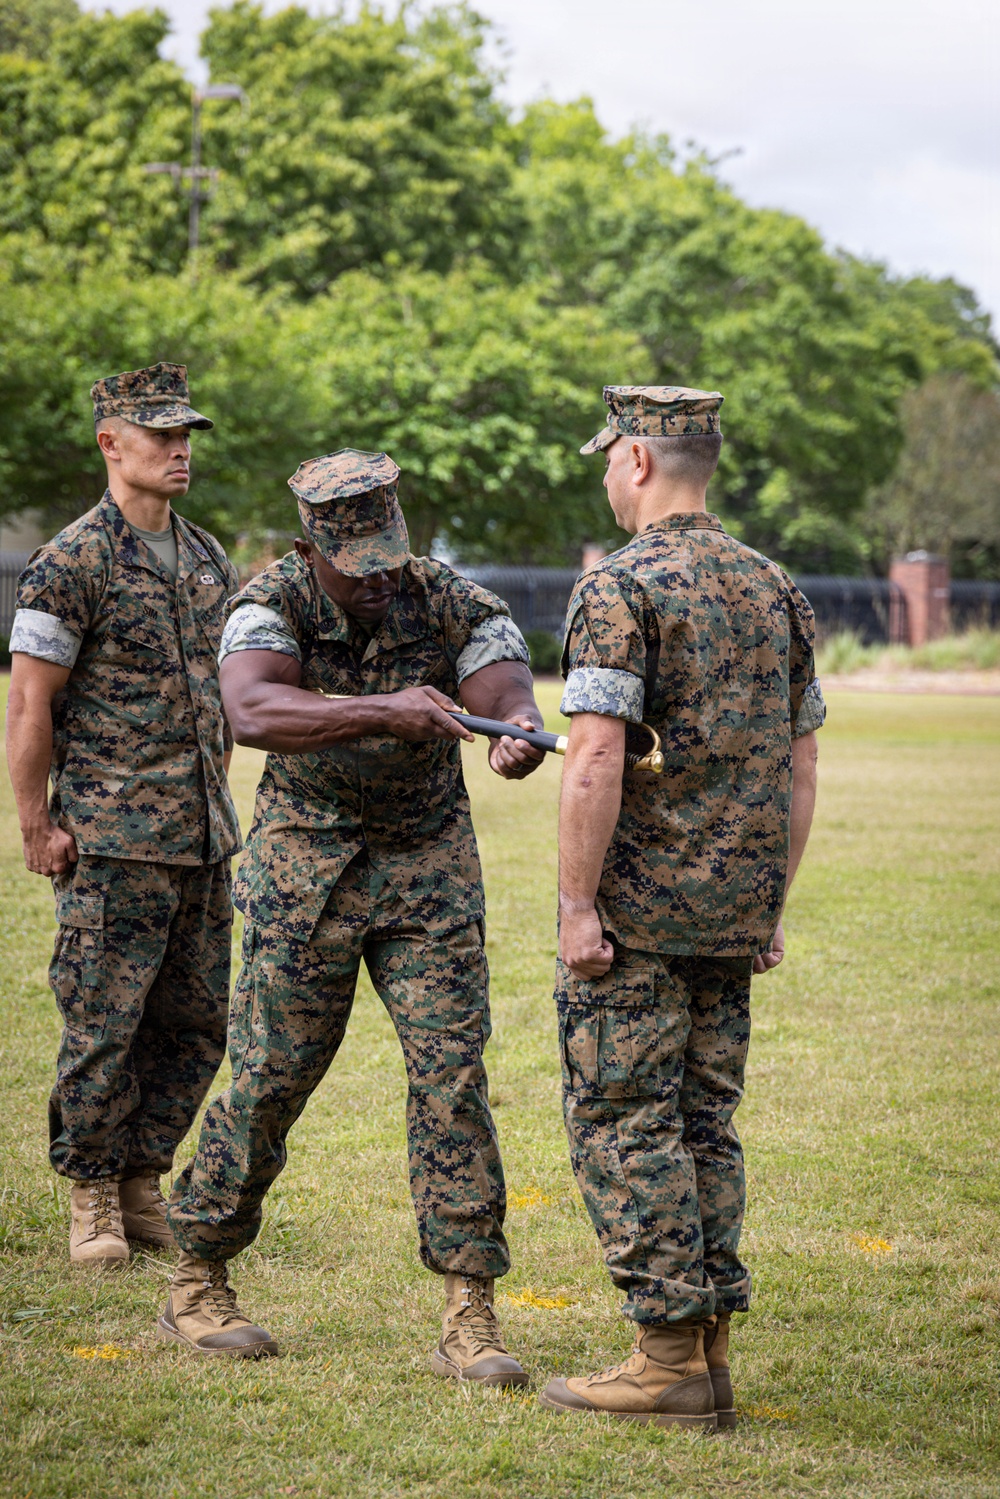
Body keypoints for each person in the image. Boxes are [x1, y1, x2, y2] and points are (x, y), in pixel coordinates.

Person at [160, 448, 544, 1378]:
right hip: (307, 869)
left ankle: (470, 1309)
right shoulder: (270, 600)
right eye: (356, 563)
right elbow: (251, 709)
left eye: (388, 556)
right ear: (311, 546)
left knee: (453, 1077)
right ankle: (198, 1273)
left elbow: (505, 687)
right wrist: (384, 711)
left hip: (427, 868)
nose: (377, 580)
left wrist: (516, 734)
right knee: (268, 1077)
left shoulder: (450, 596)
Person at [537, 385, 825, 1430]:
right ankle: (707, 1351)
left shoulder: (620, 588)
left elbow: (597, 754)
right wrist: (769, 903)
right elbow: (799, 767)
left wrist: (576, 904)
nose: (606, 474)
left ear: (641, 461)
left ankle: (665, 1356)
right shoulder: (774, 587)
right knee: (705, 1124)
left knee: (624, 1120)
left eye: (608, 457)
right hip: (733, 909)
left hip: (638, 922)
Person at [5, 362, 241, 1269]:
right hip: (110, 840)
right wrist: (37, 823)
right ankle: (93, 1192)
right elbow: (30, 705)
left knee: (195, 1022)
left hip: (203, 840)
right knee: (104, 1018)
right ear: (111, 442)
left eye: (186, 434)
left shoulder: (210, 555)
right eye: (160, 434)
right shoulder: (71, 561)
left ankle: (146, 1180)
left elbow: (220, 696)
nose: (180, 449)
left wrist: (216, 798)